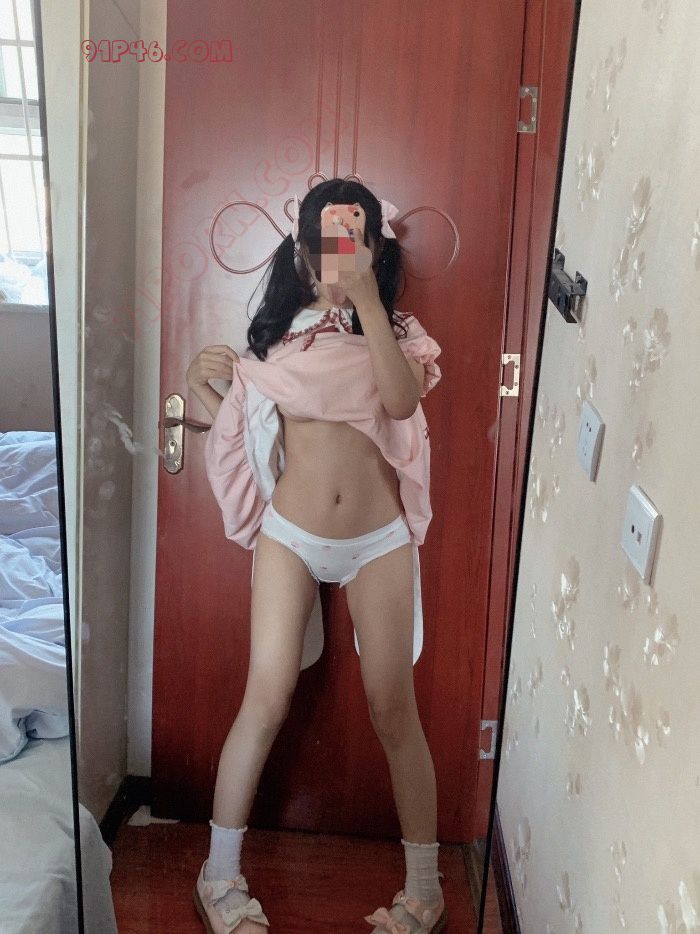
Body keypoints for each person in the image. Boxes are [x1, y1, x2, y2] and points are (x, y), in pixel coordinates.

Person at [186, 179, 446, 933]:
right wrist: (198, 386)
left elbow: (400, 402)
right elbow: (245, 429)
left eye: (357, 238)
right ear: (304, 255)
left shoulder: (398, 333)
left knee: (393, 708)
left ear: (375, 249)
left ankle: (425, 890)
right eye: (331, 241)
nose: (344, 252)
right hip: (291, 536)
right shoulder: (276, 340)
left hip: (378, 541)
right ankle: (219, 876)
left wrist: (365, 298)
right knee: (265, 697)